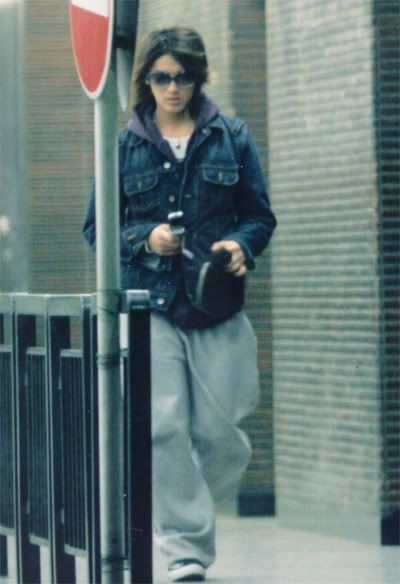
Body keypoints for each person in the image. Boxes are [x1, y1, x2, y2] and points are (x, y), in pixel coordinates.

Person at [83, 27, 276, 583]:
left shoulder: (232, 137)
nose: (173, 87)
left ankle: (184, 507)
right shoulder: (122, 147)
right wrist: (145, 238)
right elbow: (97, 227)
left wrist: (239, 245)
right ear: (146, 79)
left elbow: (259, 217)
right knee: (162, 428)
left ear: (199, 77)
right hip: (152, 307)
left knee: (221, 436)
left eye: (184, 77)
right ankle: (186, 550)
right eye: (162, 77)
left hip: (216, 305)